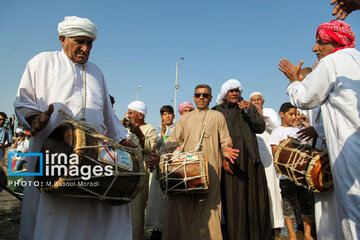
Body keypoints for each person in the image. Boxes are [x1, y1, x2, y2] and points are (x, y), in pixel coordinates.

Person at [13, 16, 134, 240]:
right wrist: (34, 119)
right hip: (52, 153)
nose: (85, 48)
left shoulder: (96, 72)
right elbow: (23, 102)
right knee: (54, 215)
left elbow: (108, 114)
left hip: (91, 157)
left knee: (96, 214)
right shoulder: (42, 62)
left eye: (90, 43)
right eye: (80, 41)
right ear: (62, 39)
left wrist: (122, 137)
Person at [279, 19, 360, 239]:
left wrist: (294, 81)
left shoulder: (333, 62)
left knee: (352, 209)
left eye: (319, 42)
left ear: (334, 42)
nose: (315, 48)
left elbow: (305, 98)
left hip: (349, 147)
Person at [149, 84, 239, 240]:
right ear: (194, 98)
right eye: (198, 95)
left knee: (209, 207)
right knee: (181, 204)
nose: (201, 98)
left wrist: (226, 150)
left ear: (210, 98)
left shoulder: (217, 116)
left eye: (205, 95)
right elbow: (172, 141)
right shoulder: (185, 119)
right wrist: (162, 155)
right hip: (187, 170)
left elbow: (225, 139)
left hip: (211, 169)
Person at [213, 80, 272, 240]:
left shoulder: (246, 108)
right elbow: (214, 139)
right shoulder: (217, 111)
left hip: (251, 160)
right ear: (225, 93)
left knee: (255, 200)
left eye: (237, 91)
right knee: (234, 203)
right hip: (230, 161)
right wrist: (222, 158)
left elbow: (260, 127)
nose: (234, 93)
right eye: (231, 91)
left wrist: (250, 109)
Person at [269, 102, 314, 240]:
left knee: (306, 203)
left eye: (295, 114)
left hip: (302, 176)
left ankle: (307, 234)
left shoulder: (300, 131)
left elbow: (307, 151)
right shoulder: (277, 132)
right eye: (291, 114)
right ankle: (292, 234)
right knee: (288, 205)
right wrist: (287, 144)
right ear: (282, 115)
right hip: (286, 177)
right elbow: (276, 154)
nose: (294, 117)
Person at [249, 92, 284, 230]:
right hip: (255, 158)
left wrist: (264, 117)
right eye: (253, 100)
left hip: (269, 158)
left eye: (258, 100)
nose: (256, 102)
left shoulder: (270, 112)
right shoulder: (248, 114)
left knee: (272, 190)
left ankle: (275, 223)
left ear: (263, 102)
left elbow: (276, 129)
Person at [126, 100, 157, 240]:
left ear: (140, 115)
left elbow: (150, 148)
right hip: (125, 171)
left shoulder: (149, 128)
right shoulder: (124, 128)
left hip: (139, 172)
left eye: (131, 113)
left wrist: (138, 132)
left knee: (137, 210)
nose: (127, 115)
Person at [145, 105, 175, 239]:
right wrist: (162, 134)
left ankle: (168, 228)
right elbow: (154, 147)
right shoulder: (158, 131)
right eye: (164, 114)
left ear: (174, 116)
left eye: (169, 114)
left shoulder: (177, 129)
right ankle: (157, 228)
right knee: (157, 199)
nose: (167, 116)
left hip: (172, 168)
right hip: (159, 169)